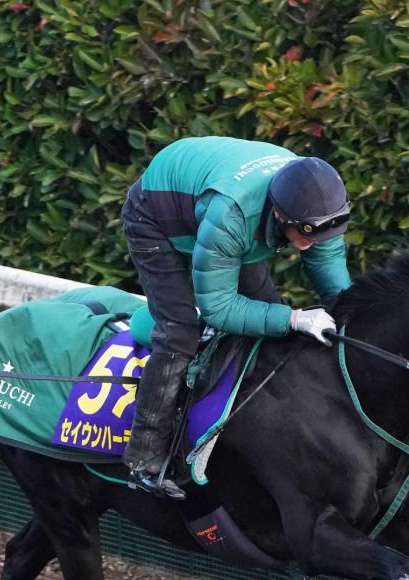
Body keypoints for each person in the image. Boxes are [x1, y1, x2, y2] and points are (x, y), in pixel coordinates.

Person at [119, 136, 352, 499]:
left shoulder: (319, 208)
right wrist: (293, 318)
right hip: (157, 215)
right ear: (281, 215)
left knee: (268, 317)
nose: (313, 243)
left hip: (221, 211)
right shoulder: (232, 217)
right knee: (179, 332)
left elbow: (327, 265)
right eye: (306, 235)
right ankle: (144, 458)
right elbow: (219, 308)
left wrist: (349, 312)